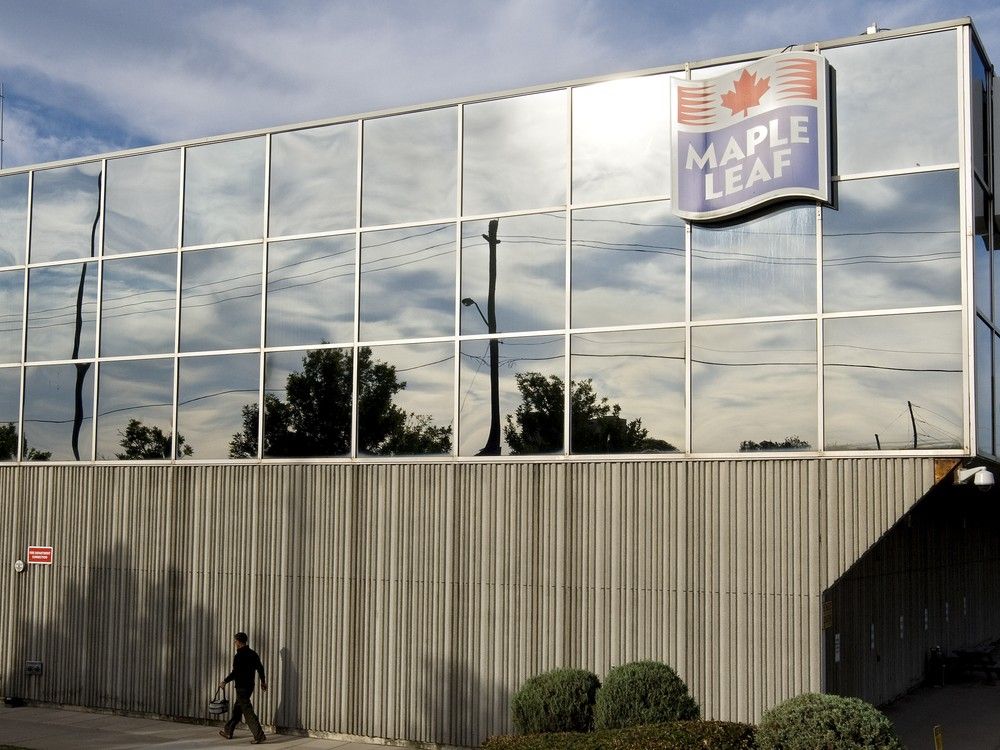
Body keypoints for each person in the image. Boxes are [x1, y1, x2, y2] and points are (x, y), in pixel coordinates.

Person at [218, 632, 268, 744]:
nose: (234, 643)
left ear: (239, 642)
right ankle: (228, 731)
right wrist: (263, 682)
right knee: (237, 709)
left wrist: (224, 681)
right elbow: (260, 668)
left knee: (247, 711)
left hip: (241, 688)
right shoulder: (253, 654)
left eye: (235, 641)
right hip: (250, 687)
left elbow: (235, 673)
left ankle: (259, 735)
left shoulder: (239, 656)